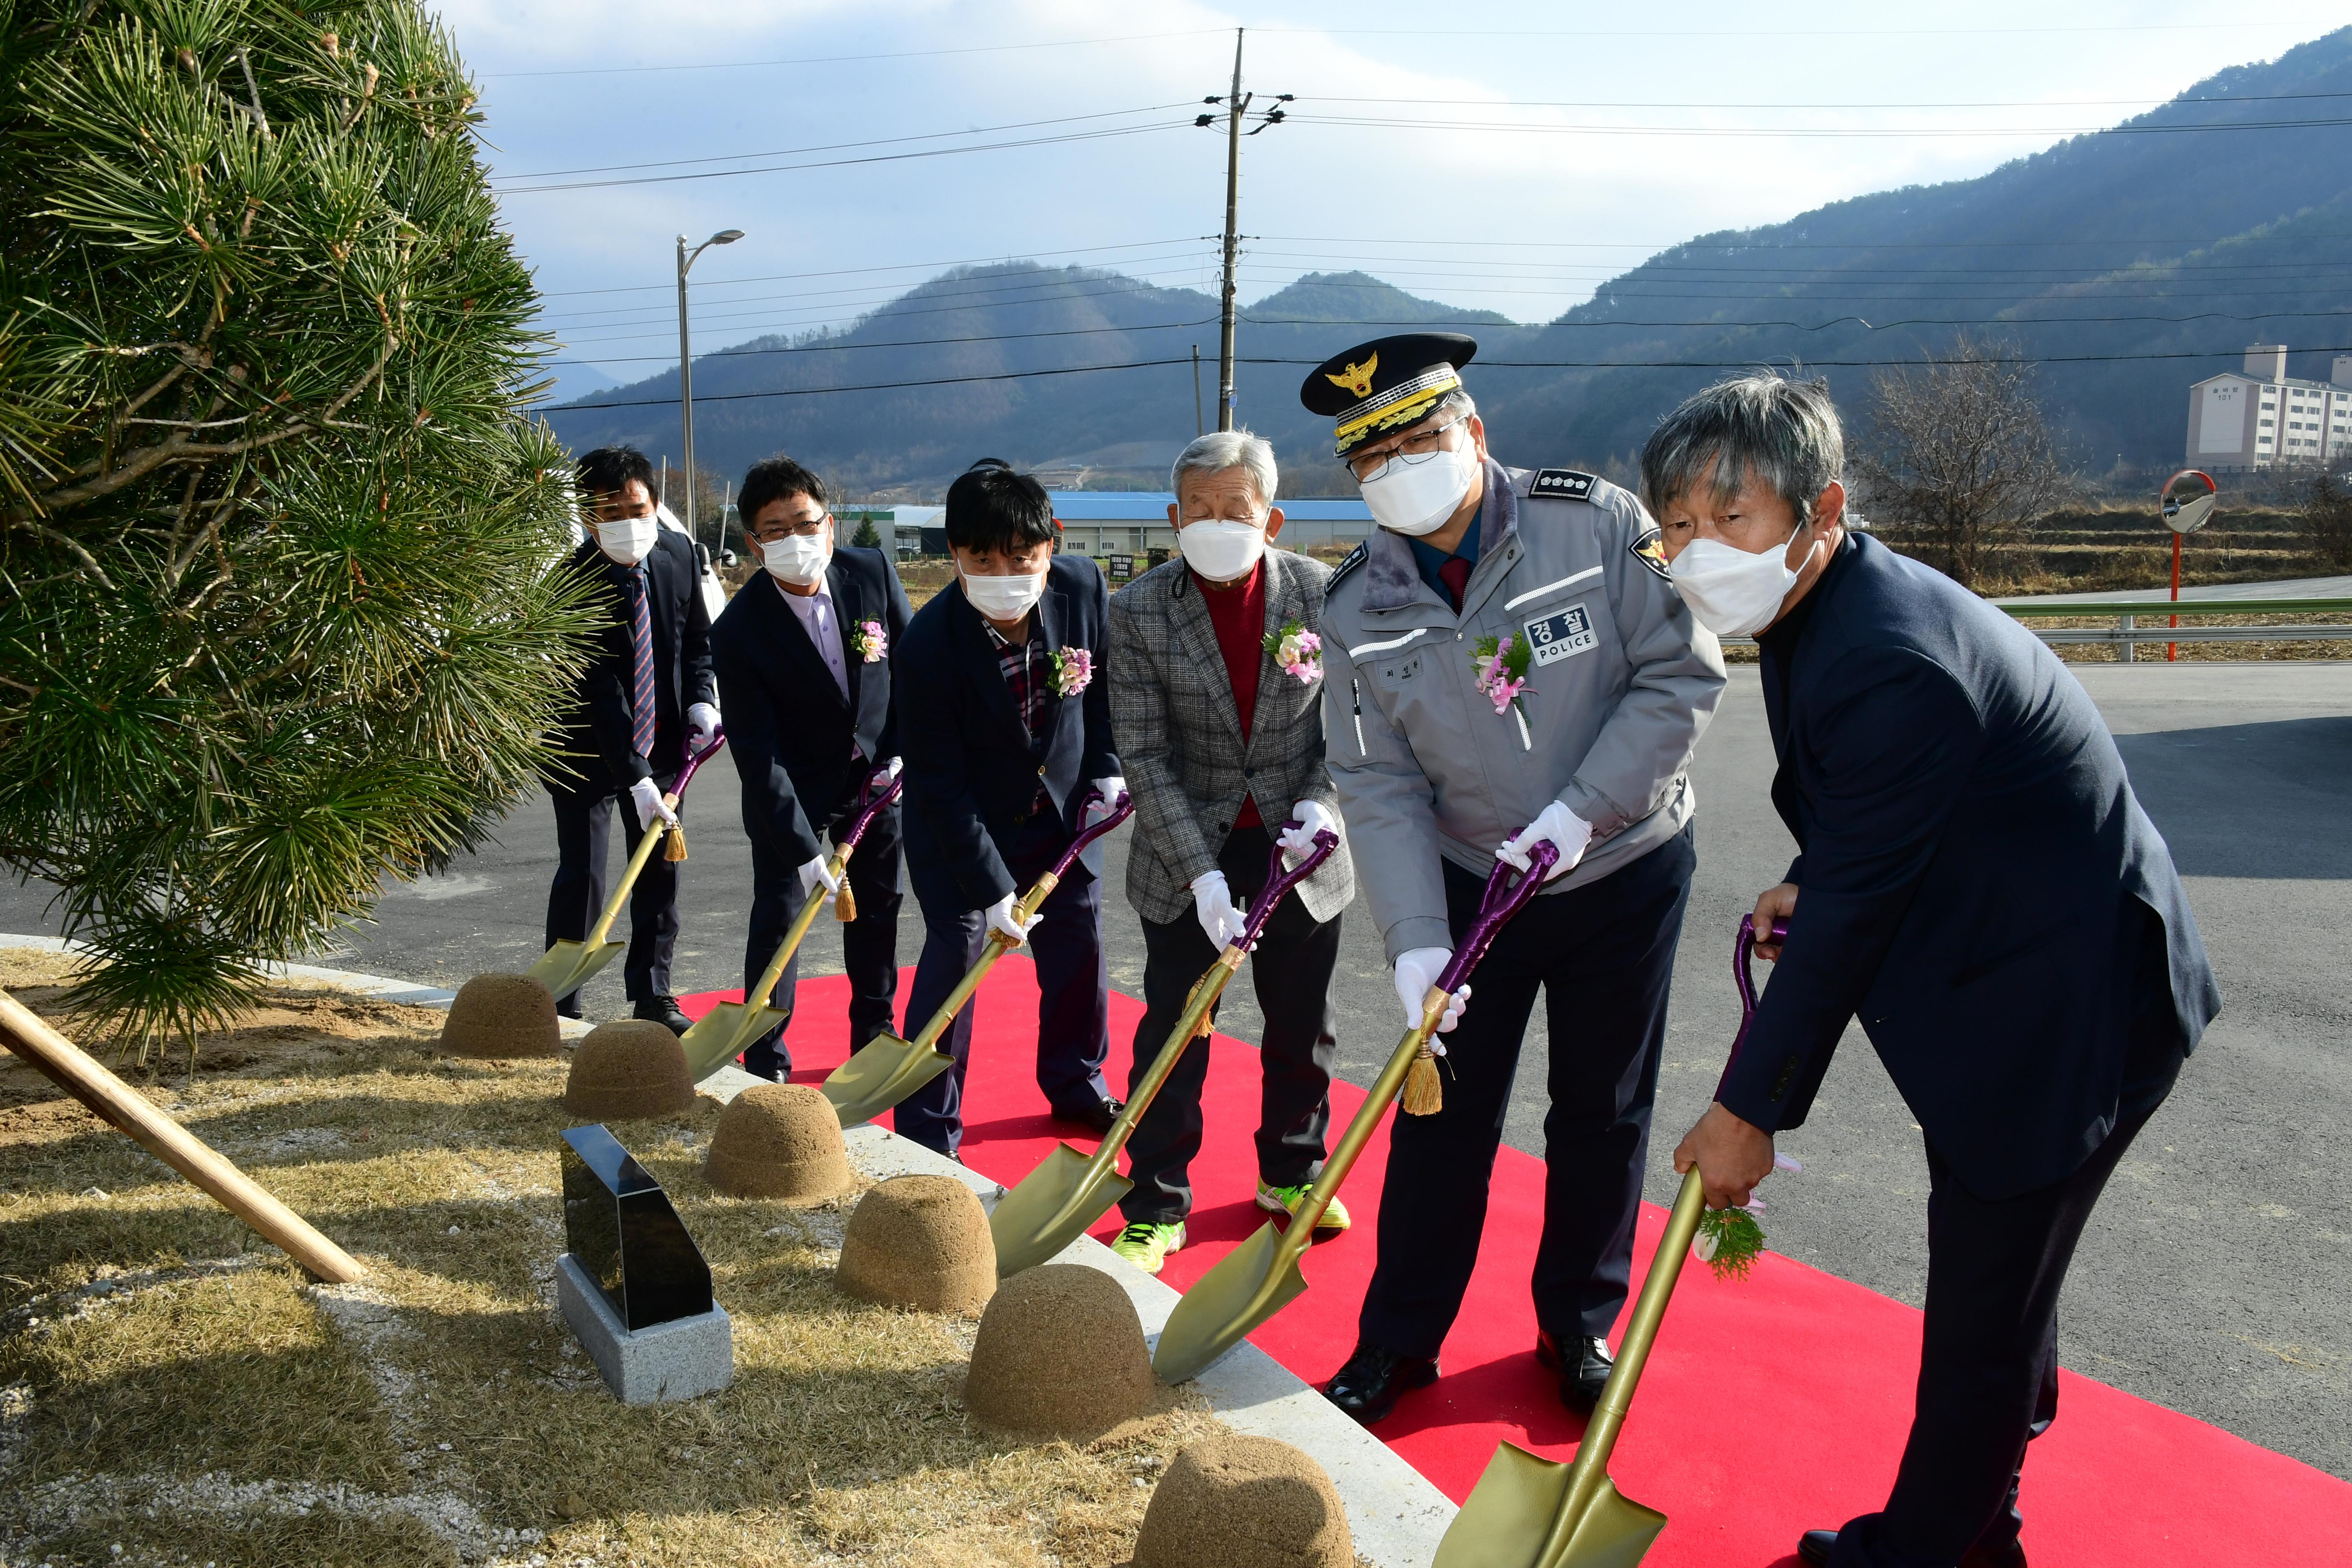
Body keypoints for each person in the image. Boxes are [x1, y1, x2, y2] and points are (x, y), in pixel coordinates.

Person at [1653, 373, 2221, 1568]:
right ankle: (1983, 1518)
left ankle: (1931, 1547)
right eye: (1679, 525)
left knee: (1984, 1305)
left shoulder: (1886, 652)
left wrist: (1746, 1112)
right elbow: (1882, 826)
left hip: (2072, 1009)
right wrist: (1818, 870)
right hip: (2018, 968)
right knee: (1998, 1286)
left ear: (1822, 510)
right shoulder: (1833, 607)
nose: (1699, 550)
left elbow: (1861, 906)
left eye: (1731, 518)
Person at [1305, 334, 1727, 1424]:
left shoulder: (1594, 521)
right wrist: (1411, 938)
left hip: (1622, 866)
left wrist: (1581, 813)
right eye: (1374, 456)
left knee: (1602, 1109)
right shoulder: (1355, 607)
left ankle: (1577, 1326)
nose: (1402, 466)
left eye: (1421, 438)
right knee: (1440, 1116)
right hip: (1463, 882)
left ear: (1475, 433)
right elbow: (1375, 777)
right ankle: (1399, 1341)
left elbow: (1679, 672)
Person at [1102, 430, 1355, 1276]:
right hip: (1188, 850)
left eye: (1234, 510)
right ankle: (1157, 1198)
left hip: (1299, 845)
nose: (1217, 524)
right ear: (1174, 519)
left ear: (1272, 518)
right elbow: (1142, 752)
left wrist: (1320, 808)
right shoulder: (1136, 609)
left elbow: (1351, 731)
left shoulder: (1325, 596)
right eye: (1199, 511)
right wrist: (1200, 871)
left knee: (1302, 1023)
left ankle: (1292, 1171)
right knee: (1177, 1029)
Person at [891, 460, 1125, 1157]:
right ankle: (929, 1129)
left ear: (1050, 546)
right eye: (981, 560)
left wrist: (1108, 772)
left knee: (1080, 950)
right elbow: (939, 784)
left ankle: (1077, 1081)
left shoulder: (1082, 588)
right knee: (957, 960)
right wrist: (994, 892)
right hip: (962, 833)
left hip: (1062, 818)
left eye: (1019, 558)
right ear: (954, 555)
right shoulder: (926, 647)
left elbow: (1106, 694)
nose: (1003, 575)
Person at [709, 455, 914, 1081]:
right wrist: (803, 851)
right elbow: (756, 751)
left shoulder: (869, 571)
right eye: (776, 530)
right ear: (753, 544)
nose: (796, 540)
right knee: (781, 913)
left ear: (830, 525)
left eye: (806, 522)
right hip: (791, 792)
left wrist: (902, 752)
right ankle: (764, 1052)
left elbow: (910, 665)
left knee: (878, 910)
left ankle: (873, 1035)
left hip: (876, 780)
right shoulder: (738, 632)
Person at [545, 445, 719, 1032]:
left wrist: (701, 698)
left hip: (666, 742)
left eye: (635, 508)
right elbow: (600, 691)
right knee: (586, 872)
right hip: (584, 744)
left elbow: (697, 641)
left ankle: (653, 996)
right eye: (608, 512)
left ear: (657, 504)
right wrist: (633, 773)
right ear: (586, 516)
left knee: (658, 870)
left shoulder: (677, 555)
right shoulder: (571, 581)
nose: (625, 523)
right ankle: (563, 1000)